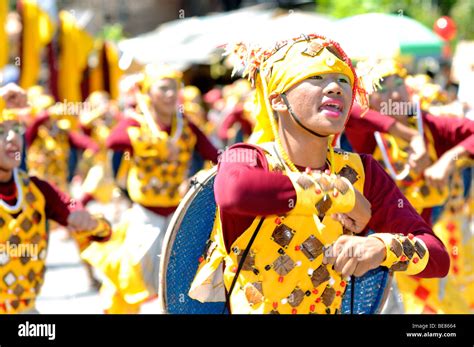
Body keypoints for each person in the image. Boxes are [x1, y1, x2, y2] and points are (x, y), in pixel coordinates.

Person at [189, 34, 449, 314]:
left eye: (344, 80)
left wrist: (381, 247)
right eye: (316, 78)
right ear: (277, 100)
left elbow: (437, 256)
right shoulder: (248, 159)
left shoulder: (363, 172)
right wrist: (342, 195)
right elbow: (235, 192)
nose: (336, 88)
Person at [82, 65, 219, 313]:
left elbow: (213, 154)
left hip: (178, 213)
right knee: (135, 272)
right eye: (163, 88)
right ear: (147, 93)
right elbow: (114, 141)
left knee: (181, 274)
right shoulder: (136, 122)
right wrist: (149, 139)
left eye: (174, 88)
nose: (170, 94)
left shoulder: (185, 124)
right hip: (146, 213)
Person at [0, 84, 112, 314]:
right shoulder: (38, 132)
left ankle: (92, 275)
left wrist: (90, 221)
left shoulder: (37, 189)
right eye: (1, 131)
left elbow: (100, 229)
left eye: (16, 129)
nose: (13, 139)